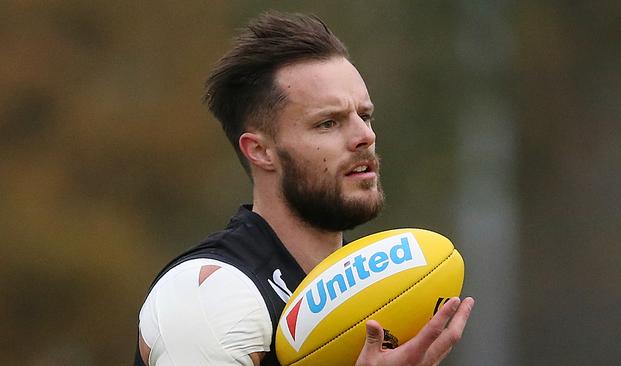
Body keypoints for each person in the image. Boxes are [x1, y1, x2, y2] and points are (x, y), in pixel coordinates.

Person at [134, 11, 474, 366]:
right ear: (261, 151)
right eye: (327, 123)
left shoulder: (368, 297)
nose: (365, 136)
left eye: (365, 115)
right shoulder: (209, 293)